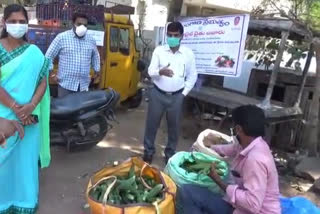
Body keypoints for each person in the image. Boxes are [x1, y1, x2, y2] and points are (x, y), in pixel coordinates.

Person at [179, 105, 281, 214]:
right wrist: (207, 148)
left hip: (251, 210)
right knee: (190, 192)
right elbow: (233, 148)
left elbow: (253, 205)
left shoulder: (254, 160)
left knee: (188, 192)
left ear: (238, 129)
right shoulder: (253, 142)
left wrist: (219, 181)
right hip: (239, 207)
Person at [0, 4, 51, 213]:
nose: (18, 25)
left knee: (25, 164)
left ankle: (25, 203)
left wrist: (30, 106)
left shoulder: (34, 53)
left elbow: (43, 81)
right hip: (3, 118)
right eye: (13, 21)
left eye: (22, 22)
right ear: (4, 22)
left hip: (30, 119)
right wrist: (15, 107)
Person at [143, 22, 198, 163]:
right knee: (152, 125)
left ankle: (170, 153)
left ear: (182, 36)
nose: (172, 38)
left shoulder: (188, 54)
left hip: (177, 96)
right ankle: (148, 151)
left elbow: (192, 76)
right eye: (170, 35)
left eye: (176, 35)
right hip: (157, 94)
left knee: (174, 128)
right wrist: (159, 72)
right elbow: (150, 72)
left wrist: (183, 94)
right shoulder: (159, 51)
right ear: (166, 35)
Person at [45, 12, 100, 97]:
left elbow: (95, 55)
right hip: (66, 86)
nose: (82, 27)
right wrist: (52, 74)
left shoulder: (91, 40)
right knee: (66, 110)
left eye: (85, 25)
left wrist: (97, 70)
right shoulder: (62, 37)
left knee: (82, 110)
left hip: (83, 86)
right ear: (73, 24)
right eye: (79, 24)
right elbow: (48, 56)